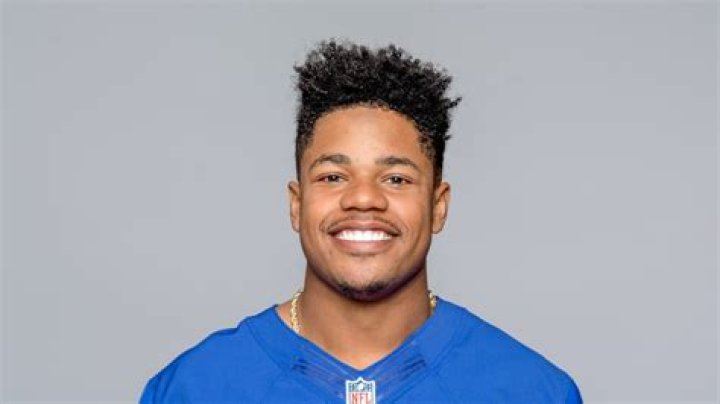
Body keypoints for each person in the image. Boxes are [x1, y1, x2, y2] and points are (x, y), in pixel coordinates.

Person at [140, 39, 582, 403]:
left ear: (438, 206)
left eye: (396, 178)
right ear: (297, 204)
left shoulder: (532, 391)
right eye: (333, 177)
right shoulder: (193, 388)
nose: (364, 198)